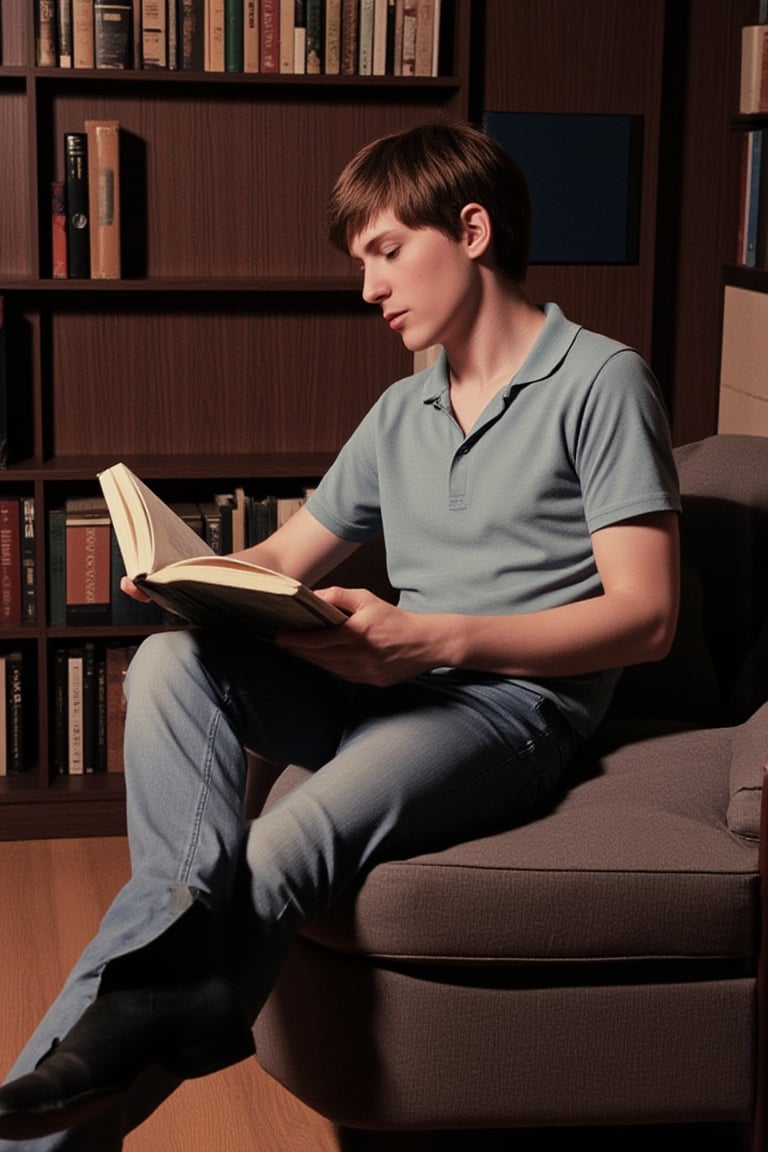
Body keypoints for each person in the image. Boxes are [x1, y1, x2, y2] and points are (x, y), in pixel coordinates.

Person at [0, 119, 681, 1149]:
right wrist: (186, 580)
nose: (368, 289)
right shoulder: (401, 412)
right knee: (174, 659)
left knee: (275, 853)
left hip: (504, 709)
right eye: (360, 262)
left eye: (385, 251)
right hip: (385, 684)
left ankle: (35, 1134)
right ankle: (156, 953)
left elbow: (649, 617)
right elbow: (283, 562)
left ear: (473, 229)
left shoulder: (600, 381)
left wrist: (432, 636)